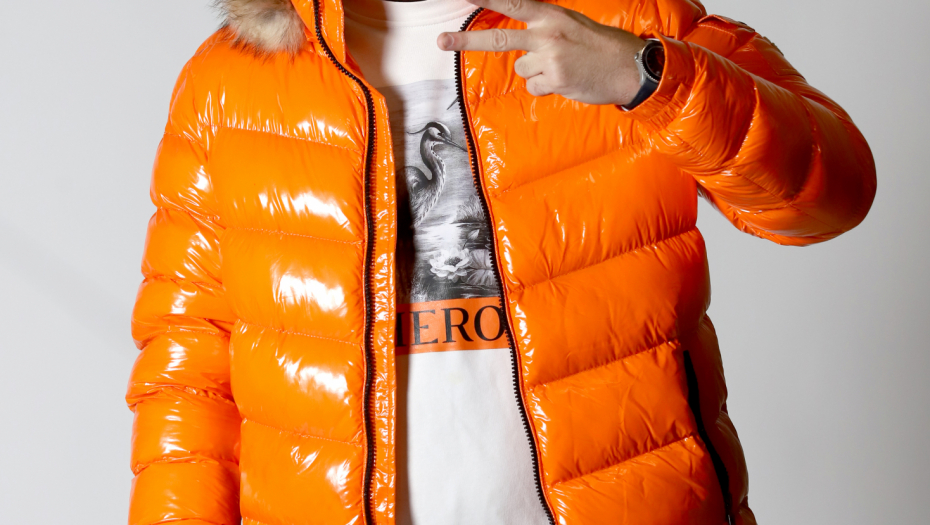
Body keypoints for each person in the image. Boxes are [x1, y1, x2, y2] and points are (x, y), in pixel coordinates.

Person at [125, 0, 875, 523]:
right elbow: (189, 368)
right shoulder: (229, 83)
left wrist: (648, 78)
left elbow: (830, 195)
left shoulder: (630, 23)